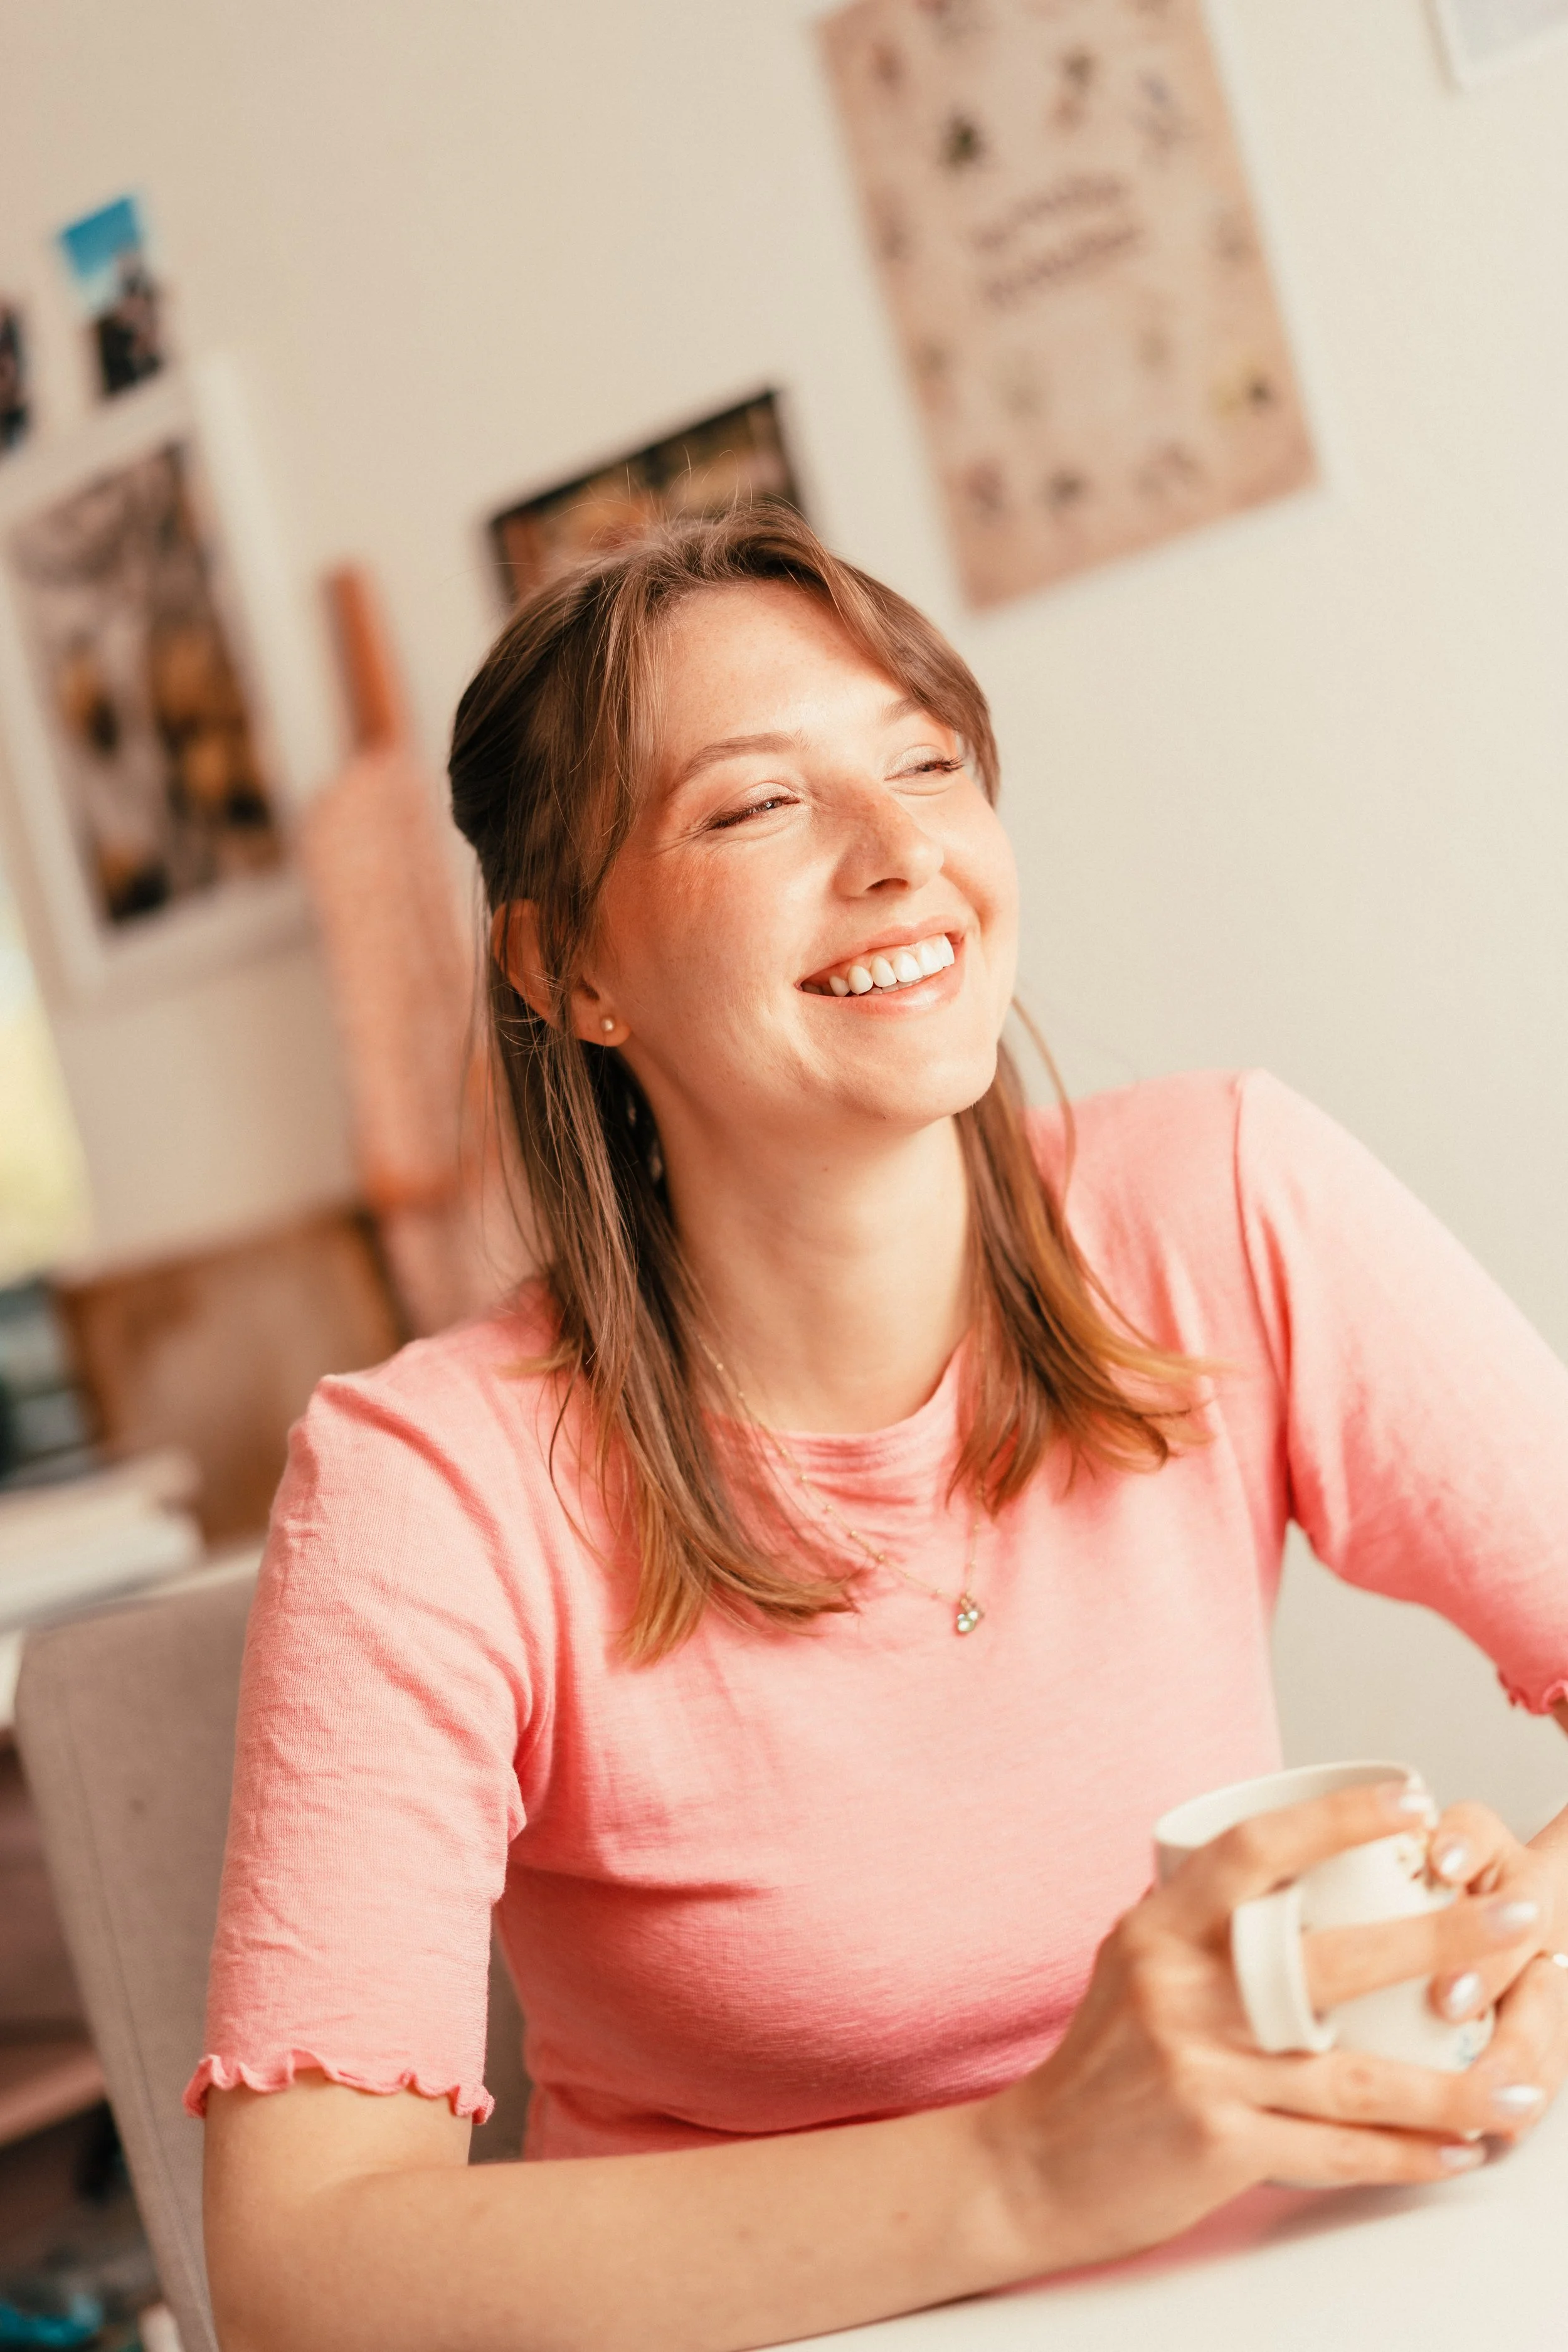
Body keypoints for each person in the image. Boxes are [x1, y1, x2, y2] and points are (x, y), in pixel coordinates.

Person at [196, 509, 1568, 2352]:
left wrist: (1540, 1940)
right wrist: (1028, 2170)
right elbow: (307, 2273)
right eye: (756, 806)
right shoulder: (421, 1486)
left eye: (927, 759)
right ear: (562, 973)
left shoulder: (1225, 1196)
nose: (900, 850)